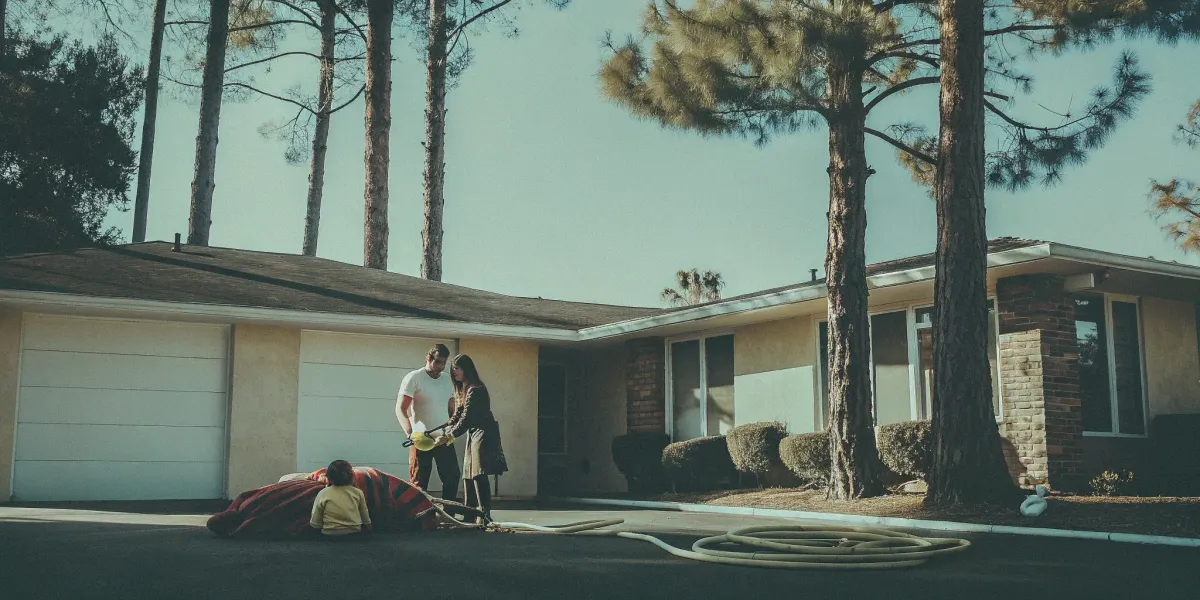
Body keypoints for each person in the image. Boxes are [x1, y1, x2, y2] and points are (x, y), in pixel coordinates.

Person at [445, 354, 509, 521]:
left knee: (478, 472)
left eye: (457, 368)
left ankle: (484, 514)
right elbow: (459, 413)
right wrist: (446, 428)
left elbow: (467, 417)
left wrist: (451, 434)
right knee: (468, 472)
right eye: (453, 369)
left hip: (484, 431)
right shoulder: (464, 388)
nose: (454, 372)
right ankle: (470, 514)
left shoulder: (476, 389)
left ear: (466, 369)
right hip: (473, 432)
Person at [397, 344, 460, 501]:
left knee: (452, 477)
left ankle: (449, 514)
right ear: (428, 358)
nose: (440, 366)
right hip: (421, 439)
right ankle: (418, 518)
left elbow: (451, 408)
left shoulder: (447, 380)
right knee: (419, 483)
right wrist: (409, 433)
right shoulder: (414, 378)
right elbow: (400, 409)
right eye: (437, 362)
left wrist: (451, 428)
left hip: (443, 438)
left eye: (443, 363)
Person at [309, 460, 372, 539]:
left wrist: (314, 527)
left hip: (329, 534)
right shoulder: (358, 492)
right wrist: (369, 528)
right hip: (354, 533)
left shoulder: (323, 493)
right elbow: (364, 515)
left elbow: (316, 518)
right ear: (351, 476)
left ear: (328, 477)